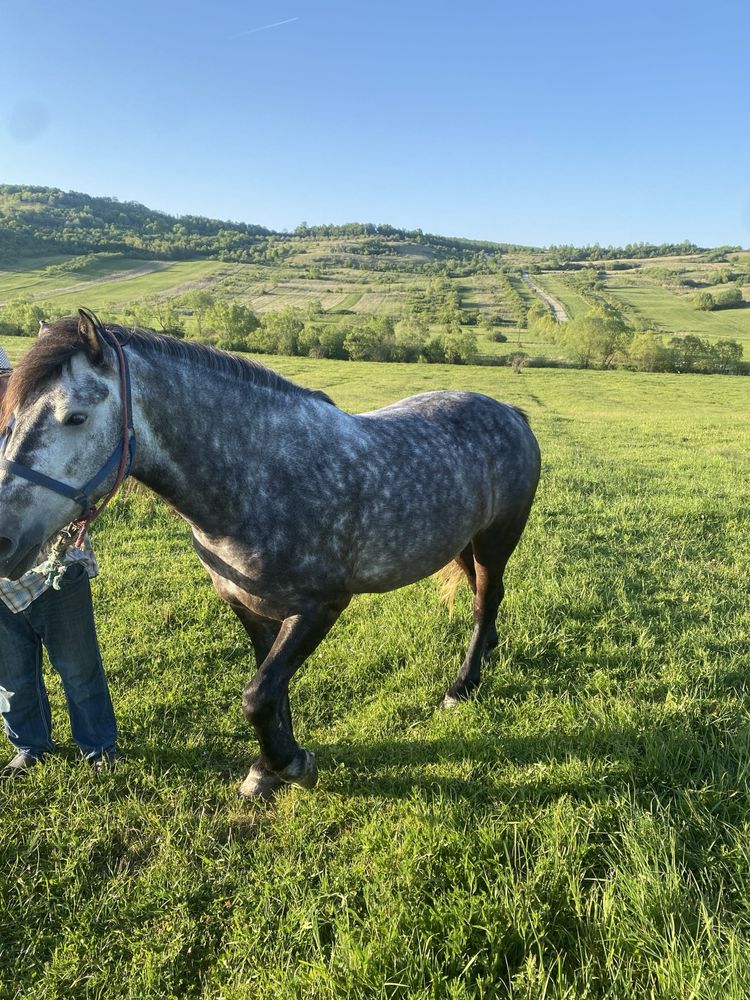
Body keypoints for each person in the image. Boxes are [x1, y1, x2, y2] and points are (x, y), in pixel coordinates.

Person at [0, 358, 119, 778]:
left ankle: (98, 745)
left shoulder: (35, 432)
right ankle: (30, 746)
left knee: (79, 667)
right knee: (11, 676)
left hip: (54, 570)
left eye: (2, 384)